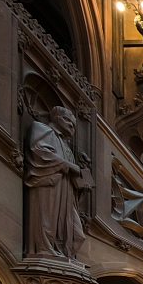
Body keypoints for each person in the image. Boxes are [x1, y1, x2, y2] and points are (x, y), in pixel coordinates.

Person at [24, 106, 91, 260]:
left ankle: (67, 254)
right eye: (68, 121)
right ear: (55, 117)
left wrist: (82, 184)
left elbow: (74, 174)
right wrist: (70, 166)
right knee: (47, 222)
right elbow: (39, 151)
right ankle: (46, 250)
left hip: (67, 191)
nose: (72, 127)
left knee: (77, 234)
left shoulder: (67, 148)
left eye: (74, 125)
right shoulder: (43, 129)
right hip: (48, 183)